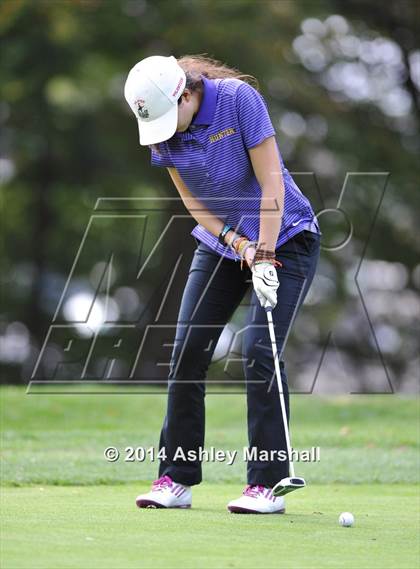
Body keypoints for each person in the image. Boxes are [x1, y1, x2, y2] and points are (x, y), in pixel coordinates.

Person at [124, 54, 320, 514]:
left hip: (287, 236)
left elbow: (271, 181)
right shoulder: (163, 128)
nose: (166, 132)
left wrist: (266, 251)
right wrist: (238, 244)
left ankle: (268, 485)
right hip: (223, 244)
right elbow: (193, 202)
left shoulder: (238, 101)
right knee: (188, 348)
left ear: (187, 95)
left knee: (258, 348)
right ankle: (176, 477)